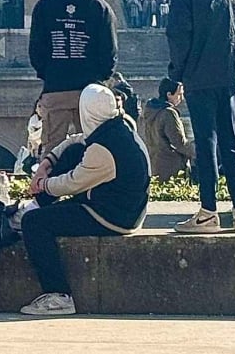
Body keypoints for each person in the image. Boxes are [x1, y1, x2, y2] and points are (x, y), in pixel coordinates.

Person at [20, 83, 151, 316]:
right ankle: (36, 205)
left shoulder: (104, 149)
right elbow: (76, 140)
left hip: (112, 217)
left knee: (34, 223)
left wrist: (42, 185)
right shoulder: (117, 127)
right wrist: (47, 162)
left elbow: (71, 182)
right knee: (73, 152)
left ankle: (58, 295)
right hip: (123, 207)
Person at [166, 0, 235, 234]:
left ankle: (208, 213)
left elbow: (180, 39)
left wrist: (175, 77)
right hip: (230, 75)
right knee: (231, 142)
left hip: (199, 78)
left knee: (206, 144)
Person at [29, 0, 118, 156]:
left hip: (55, 87)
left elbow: (36, 50)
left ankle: (48, 188)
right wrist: (100, 79)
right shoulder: (99, 6)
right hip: (89, 92)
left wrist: (48, 73)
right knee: (93, 149)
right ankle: (88, 190)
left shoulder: (45, 5)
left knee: (52, 150)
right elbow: (109, 52)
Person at [138, 78, 193, 180]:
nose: (182, 98)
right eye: (179, 94)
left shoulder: (148, 111)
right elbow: (179, 143)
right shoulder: (169, 113)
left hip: (154, 163)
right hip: (172, 166)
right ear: (169, 94)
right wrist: (198, 153)